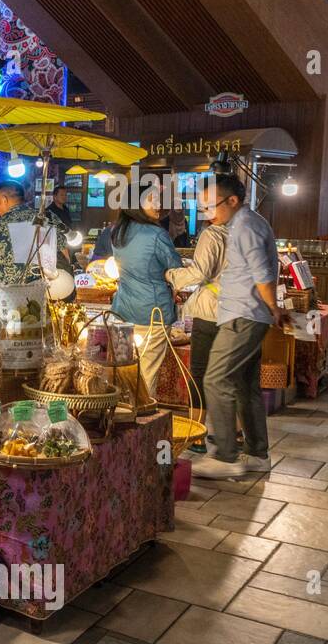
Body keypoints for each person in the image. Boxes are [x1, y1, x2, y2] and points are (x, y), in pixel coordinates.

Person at [192, 174, 289, 480]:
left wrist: (274, 307)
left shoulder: (245, 226)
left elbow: (261, 272)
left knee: (215, 378)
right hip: (247, 313)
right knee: (246, 386)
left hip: (243, 315)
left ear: (232, 200)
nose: (209, 213)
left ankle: (223, 455)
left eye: (212, 205)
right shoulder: (245, 223)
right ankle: (258, 453)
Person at [107, 186, 183, 401]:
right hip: (153, 313)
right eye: (152, 199)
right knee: (147, 372)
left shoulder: (117, 232)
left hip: (122, 311)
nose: (158, 204)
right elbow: (175, 268)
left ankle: (121, 415)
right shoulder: (157, 234)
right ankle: (141, 419)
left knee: (124, 371)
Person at [165, 203, 229, 452]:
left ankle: (197, 434)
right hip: (237, 312)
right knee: (228, 375)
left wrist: (170, 275)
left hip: (211, 312)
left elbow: (199, 273)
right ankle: (233, 434)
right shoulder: (244, 231)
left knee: (200, 373)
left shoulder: (212, 234)